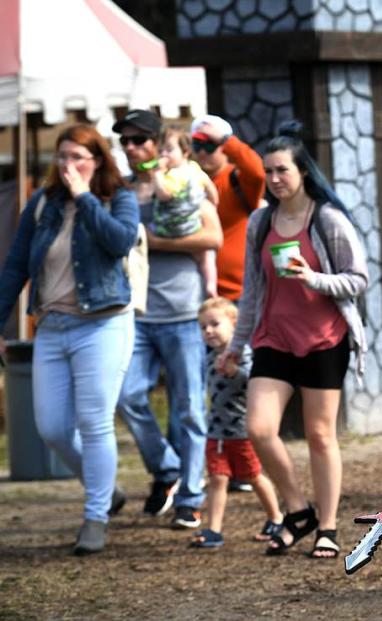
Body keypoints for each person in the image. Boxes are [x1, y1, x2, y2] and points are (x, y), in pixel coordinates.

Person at [217, 121, 368, 559]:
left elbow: (358, 280)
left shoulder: (328, 219)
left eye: (282, 170)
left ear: (302, 171)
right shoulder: (261, 222)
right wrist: (235, 345)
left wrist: (312, 278)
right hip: (273, 338)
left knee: (321, 435)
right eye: (269, 172)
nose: (275, 179)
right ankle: (298, 510)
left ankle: (327, 526)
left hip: (324, 339)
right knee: (258, 428)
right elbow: (251, 292)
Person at [0, 124, 138, 554]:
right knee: (53, 427)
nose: (67, 166)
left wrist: (85, 198)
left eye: (78, 157)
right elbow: (15, 265)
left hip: (103, 324)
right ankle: (105, 488)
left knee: (94, 422)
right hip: (53, 327)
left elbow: (120, 243)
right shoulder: (42, 204)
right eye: (62, 157)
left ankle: (95, 517)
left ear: (98, 161)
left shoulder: (121, 199)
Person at [113, 109, 223, 529]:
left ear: (158, 144)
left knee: (191, 408)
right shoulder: (121, 191)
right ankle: (168, 466)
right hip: (135, 313)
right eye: (125, 141)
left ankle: (190, 497)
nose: (132, 148)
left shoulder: (186, 180)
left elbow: (212, 235)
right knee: (126, 395)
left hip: (182, 312)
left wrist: (148, 240)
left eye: (139, 140)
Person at [188, 297, 283, 549]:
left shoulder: (244, 355)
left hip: (241, 432)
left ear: (234, 324)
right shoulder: (210, 358)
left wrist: (235, 372)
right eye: (203, 327)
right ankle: (214, 530)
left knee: (253, 476)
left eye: (214, 324)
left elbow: (255, 382)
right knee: (217, 479)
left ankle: (276, 517)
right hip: (216, 432)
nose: (208, 331)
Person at [190, 114, 267, 302]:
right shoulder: (185, 181)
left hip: (239, 293)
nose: (202, 152)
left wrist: (226, 140)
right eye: (197, 145)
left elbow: (257, 173)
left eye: (210, 145)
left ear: (225, 149)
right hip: (195, 293)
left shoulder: (237, 180)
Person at [151, 125, 219, 299]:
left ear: (185, 151)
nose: (164, 155)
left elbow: (164, 195)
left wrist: (157, 175)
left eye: (169, 149)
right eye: (161, 151)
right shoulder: (195, 169)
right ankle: (211, 284)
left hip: (169, 228)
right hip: (193, 225)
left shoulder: (173, 175)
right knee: (206, 256)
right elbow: (211, 190)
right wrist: (212, 204)